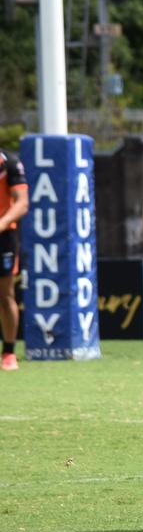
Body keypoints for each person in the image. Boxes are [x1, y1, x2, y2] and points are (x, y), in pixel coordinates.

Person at [0, 144, 29, 371]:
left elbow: (22, 203)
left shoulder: (8, 162)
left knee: (5, 295)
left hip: (4, 236)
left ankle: (8, 352)